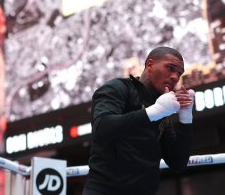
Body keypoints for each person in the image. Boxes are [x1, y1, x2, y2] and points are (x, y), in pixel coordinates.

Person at [83, 46, 194, 195]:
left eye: (179, 73)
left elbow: (178, 163)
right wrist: (155, 112)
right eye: (170, 68)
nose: (175, 77)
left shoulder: (162, 107)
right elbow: (101, 128)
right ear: (150, 65)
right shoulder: (118, 88)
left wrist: (185, 119)